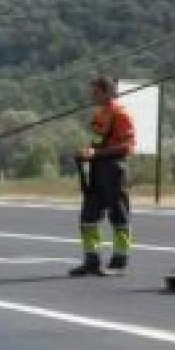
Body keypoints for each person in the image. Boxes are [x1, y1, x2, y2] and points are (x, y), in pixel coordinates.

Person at [70, 76, 135, 277]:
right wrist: (87, 152)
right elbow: (97, 142)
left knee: (119, 216)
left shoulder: (121, 114)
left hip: (114, 170)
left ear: (107, 92)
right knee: (88, 217)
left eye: (96, 92)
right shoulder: (99, 116)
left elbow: (127, 147)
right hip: (97, 171)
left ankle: (119, 262)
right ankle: (91, 260)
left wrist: (97, 154)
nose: (92, 95)